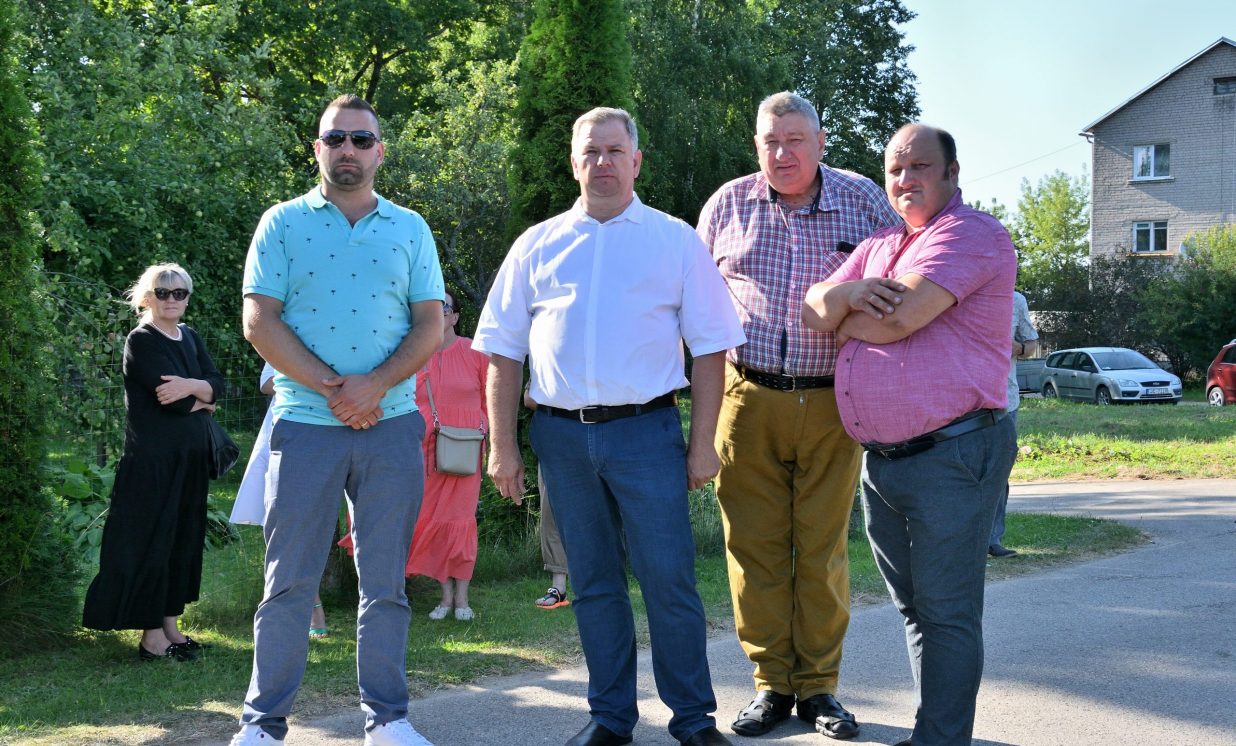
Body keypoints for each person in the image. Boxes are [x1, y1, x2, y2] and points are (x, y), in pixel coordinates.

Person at [475, 107, 745, 746]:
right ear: (574, 163)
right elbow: (503, 352)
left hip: (646, 435)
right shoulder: (536, 245)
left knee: (669, 581)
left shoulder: (674, 240)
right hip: (562, 440)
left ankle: (693, 720)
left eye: (615, 150)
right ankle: (611, 718)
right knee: (594, 585)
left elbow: (711, 348)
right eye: (590, 152)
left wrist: (703, 444)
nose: (602, 162)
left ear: (636, 161)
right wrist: (502, 447)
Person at [231, 94, 445, 746]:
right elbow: (258, 321)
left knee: (385, 586)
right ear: (317, 148)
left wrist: (374, 386)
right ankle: (262, 727)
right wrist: (335, 390)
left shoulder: (410, 228)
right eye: (335, 138)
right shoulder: (281, 223)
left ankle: (388, 721)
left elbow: (431, 325)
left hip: (391, 425)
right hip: (304, 425)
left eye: (361, 139)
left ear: (380, 151)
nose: (347, 149)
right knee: (288, 585)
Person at [802, 123, 1017, 746]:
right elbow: (812, 308)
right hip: (884, 461)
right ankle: (933, 735)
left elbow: (897, 321)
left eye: (919, 166)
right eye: (895, 169)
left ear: (952, 172)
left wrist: (844, 318)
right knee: (916, 609)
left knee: (946, 612)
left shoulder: (971, 234)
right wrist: (848, 295)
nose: (905, 179)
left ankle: (940, 741)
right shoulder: (880, 243)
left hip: (952, 452)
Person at [696, 91, 901, 740]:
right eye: (770, 141)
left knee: (821, 549)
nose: (782, 153)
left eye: (795, 140)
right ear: (756, 145)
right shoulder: (726, 205)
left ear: (820, 142)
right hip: (746, 399)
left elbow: (902, 288)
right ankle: (770, 685)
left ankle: (818, 688)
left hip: (835, 401)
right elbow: (695, 308)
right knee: (752, 549)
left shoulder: (864, 200)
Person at [82, 262, 224, 662]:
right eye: (163, 292)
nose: (171, 299)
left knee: (182, 543)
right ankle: (151, 638)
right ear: (148, 298)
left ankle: (171, 628)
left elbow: (219, 385)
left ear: (187, 298)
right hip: (153, 464)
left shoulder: (190, 337)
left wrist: (195, 387)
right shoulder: (141, 340)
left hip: (190, 462)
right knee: (154, 543)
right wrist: (202, 397)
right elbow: (170, 400)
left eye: (180, 293)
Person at [231, 363, 329, 637]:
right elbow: (266, 383)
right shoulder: (284, 335)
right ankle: (305, 606)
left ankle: (307, 602)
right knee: (283, 522)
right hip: (287, 426)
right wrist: (315, 379)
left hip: (332, 428)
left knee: (312, 524)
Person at [407, 289, 488, 621]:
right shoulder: (412, 355)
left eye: (443, 308)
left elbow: (491, 397)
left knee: (461, 520)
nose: (436, 312)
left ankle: (463, 599)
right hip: (425, 452)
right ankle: (444, 596)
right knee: (432, 520)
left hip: (464, 448)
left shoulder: (475, 352)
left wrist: (486, 433)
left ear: (454, 317)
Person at [990, 291, 1039, 558]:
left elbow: (1030, 346)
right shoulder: (956, 293)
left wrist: (1016, 347)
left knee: (999, 473)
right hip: (963, 403)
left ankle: (992, 540)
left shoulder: (1015, 300)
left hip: (1005, 401)